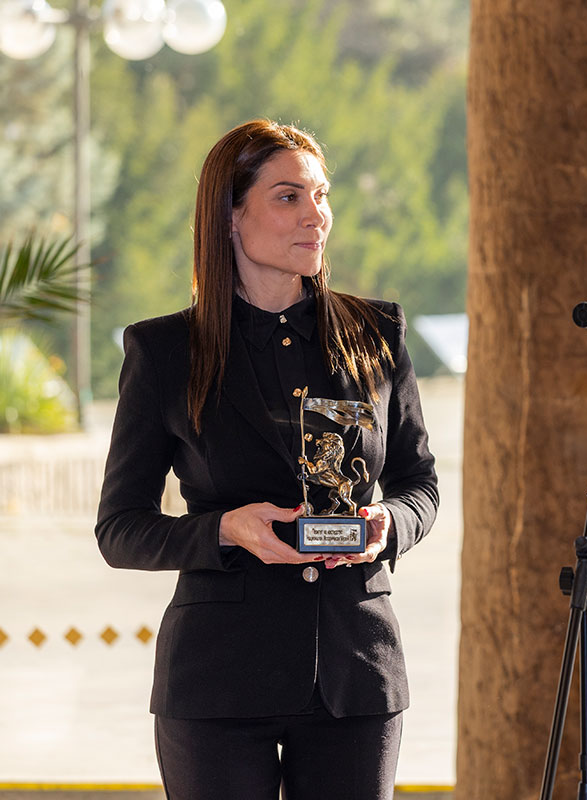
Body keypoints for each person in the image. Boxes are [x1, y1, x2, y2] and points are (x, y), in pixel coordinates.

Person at [95, 119, 438, 800]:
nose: (316, 215)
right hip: (216, 680)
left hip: (355, 671)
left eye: (321, 195)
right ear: (230, 216)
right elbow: (120, 529)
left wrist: (388, 524)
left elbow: (419, 484)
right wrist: (225, 529)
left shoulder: (378, 334)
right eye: (288, 197)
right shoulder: (164, 352)